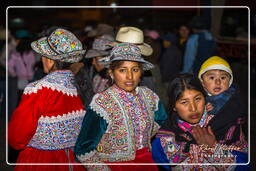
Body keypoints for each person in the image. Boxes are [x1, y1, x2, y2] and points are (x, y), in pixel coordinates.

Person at [74, 43, 167, 170]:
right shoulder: (103, 103)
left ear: (141, 72)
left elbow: (161, 117)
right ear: (111, 73)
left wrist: (140, 137)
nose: (129, 76)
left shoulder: (149, 96)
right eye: (122, 70)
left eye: (134, 69)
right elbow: (83, 149)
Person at [8, 28, 86, 171]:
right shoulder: (78, 87)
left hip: (42, 161)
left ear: (49, 60)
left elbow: (17, 137)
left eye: (42, 56)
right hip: (71, 160)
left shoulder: (38, 89)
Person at [152, 73, 248, 170]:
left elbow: (244, 165)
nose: (193, 108)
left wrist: (213, 148)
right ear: (174, 107)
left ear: (205, 98)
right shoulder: (165, 138)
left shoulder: (226, 125)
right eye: (184, 102)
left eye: (197, 99)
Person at [198, 56, 248, 146]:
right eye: (212, 77)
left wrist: (214, 108)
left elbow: (232, 108)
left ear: (229, 82)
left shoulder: (232, 97)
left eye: (223, 78)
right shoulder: (200, 96)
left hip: (228, 143)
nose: (218, 82)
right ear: (202, 83)